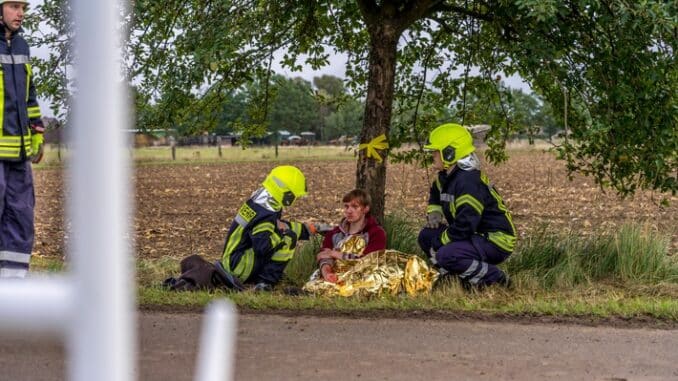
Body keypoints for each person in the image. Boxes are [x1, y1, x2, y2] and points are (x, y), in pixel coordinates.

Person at [165, 165, 319, 291]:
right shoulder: (267, 213)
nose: (296, 199)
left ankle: (263, 279)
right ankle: (265, 284)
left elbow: (274, 227)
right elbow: (262, 247)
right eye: (295, 195)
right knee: (289, 237)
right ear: (286, 194)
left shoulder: (261, 201)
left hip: (231, 261)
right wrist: (284, 233)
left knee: (284, 232)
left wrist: (306, 230)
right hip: (239, 267)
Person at [418, 123, 516, 289]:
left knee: (447, 254)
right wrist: (434, 214)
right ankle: (454, 278)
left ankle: (496, 280)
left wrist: (441, 240)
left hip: (495, 239)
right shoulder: (445, 177)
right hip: (473, 234)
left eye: (436, 152)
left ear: (449, 153)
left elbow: (465, 224)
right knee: (426, 237)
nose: (433, 155)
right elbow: (436, 195)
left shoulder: (467, 182)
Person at [0, 0, 44, 279]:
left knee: (21, 216)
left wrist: (37, 131)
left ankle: (13, 286)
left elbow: (29, 94)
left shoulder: (22, 46)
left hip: (18, 154)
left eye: (23, 8)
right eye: (14, 6)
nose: (20, 13)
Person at [314, 189, 386, 283]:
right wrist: (327, 273)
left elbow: (369, 261)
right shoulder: (334, 233)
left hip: (364, 279)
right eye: (346, 206)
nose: (349, 211)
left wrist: (336, 254)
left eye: (355, 207)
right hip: (336, 278)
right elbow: (324, 257)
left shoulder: (376, 233)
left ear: (365, 209)